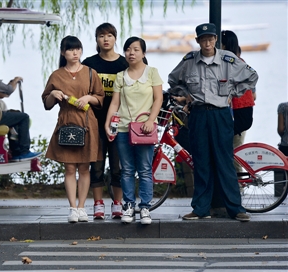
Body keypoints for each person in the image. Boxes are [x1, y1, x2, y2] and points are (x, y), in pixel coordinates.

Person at [168, 23, 258, 222]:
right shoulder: (189, 61)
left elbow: (252, 77)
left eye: (211, 38)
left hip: (221, 115)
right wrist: (186, 96)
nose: (207, 43)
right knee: (201, 162)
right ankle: (201, 209)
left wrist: (232, 93)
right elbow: (173, 81)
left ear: (216, 40)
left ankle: (235, 208)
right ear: (198, 40)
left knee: (225, 161)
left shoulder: (228, 60)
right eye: (203, 39)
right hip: (198, 114)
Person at [41, 36, 104, 223]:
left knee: (85, 167)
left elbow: (100, 98)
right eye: (70, 50)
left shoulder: (91, 72)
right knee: (69, 167)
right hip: (67, 121)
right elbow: (47, 103)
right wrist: (53, 93)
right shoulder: (56, 75)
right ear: (63, 52)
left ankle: (82, 207)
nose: (75, 53)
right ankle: (72, 208)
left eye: (78, 49)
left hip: (86, 122)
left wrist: (88, 98)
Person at [104, 36, 163, 225]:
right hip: (123, 128)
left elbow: (158, 99)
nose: (131, 53)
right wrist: (108, 124)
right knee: (126, 170)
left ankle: (145, 207)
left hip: (145, 129)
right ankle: (128, 206)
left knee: (145, 169)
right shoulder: (121, 76)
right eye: (128, 49)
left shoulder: (152, 72)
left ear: (143, 53)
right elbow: (115, 103)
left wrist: (151, 120)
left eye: (136, 49)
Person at [82, 23, 129, 219]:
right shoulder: (89, 64)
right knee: (97, 165)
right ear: (96, 40)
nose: (106, 39)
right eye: (101, 36)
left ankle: (117, 204)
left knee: (119, 166)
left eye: (110, 35)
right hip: (94, 122)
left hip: (120, 123)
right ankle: (98, 204)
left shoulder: (125, 64)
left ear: (116, 38)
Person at [221, 30, 256, 162]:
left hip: (238, 109)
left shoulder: (230, 63)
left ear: (224, 45)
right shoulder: (239, 61)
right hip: (242, 108)